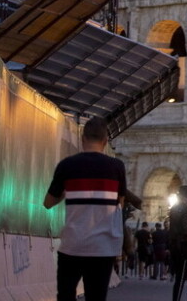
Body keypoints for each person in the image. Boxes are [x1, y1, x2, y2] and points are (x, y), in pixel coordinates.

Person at [43, 117, 129, 301]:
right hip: (103, 248)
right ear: (105, 142)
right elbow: (119, 203)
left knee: (65, 296)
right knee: (96, 298)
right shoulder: (117, 167)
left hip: (72, 246)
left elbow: (48, 202)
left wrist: (70, 190)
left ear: (82, 139)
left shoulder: (66, 166)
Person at [169, 185, 187, 301]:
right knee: (181, 278)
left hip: (176, 245)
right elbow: (185, 229)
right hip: (184, 246)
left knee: (179, 278)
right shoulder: (185, 209)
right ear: (186, 196)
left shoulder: (174, 208)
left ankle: (176, 298)